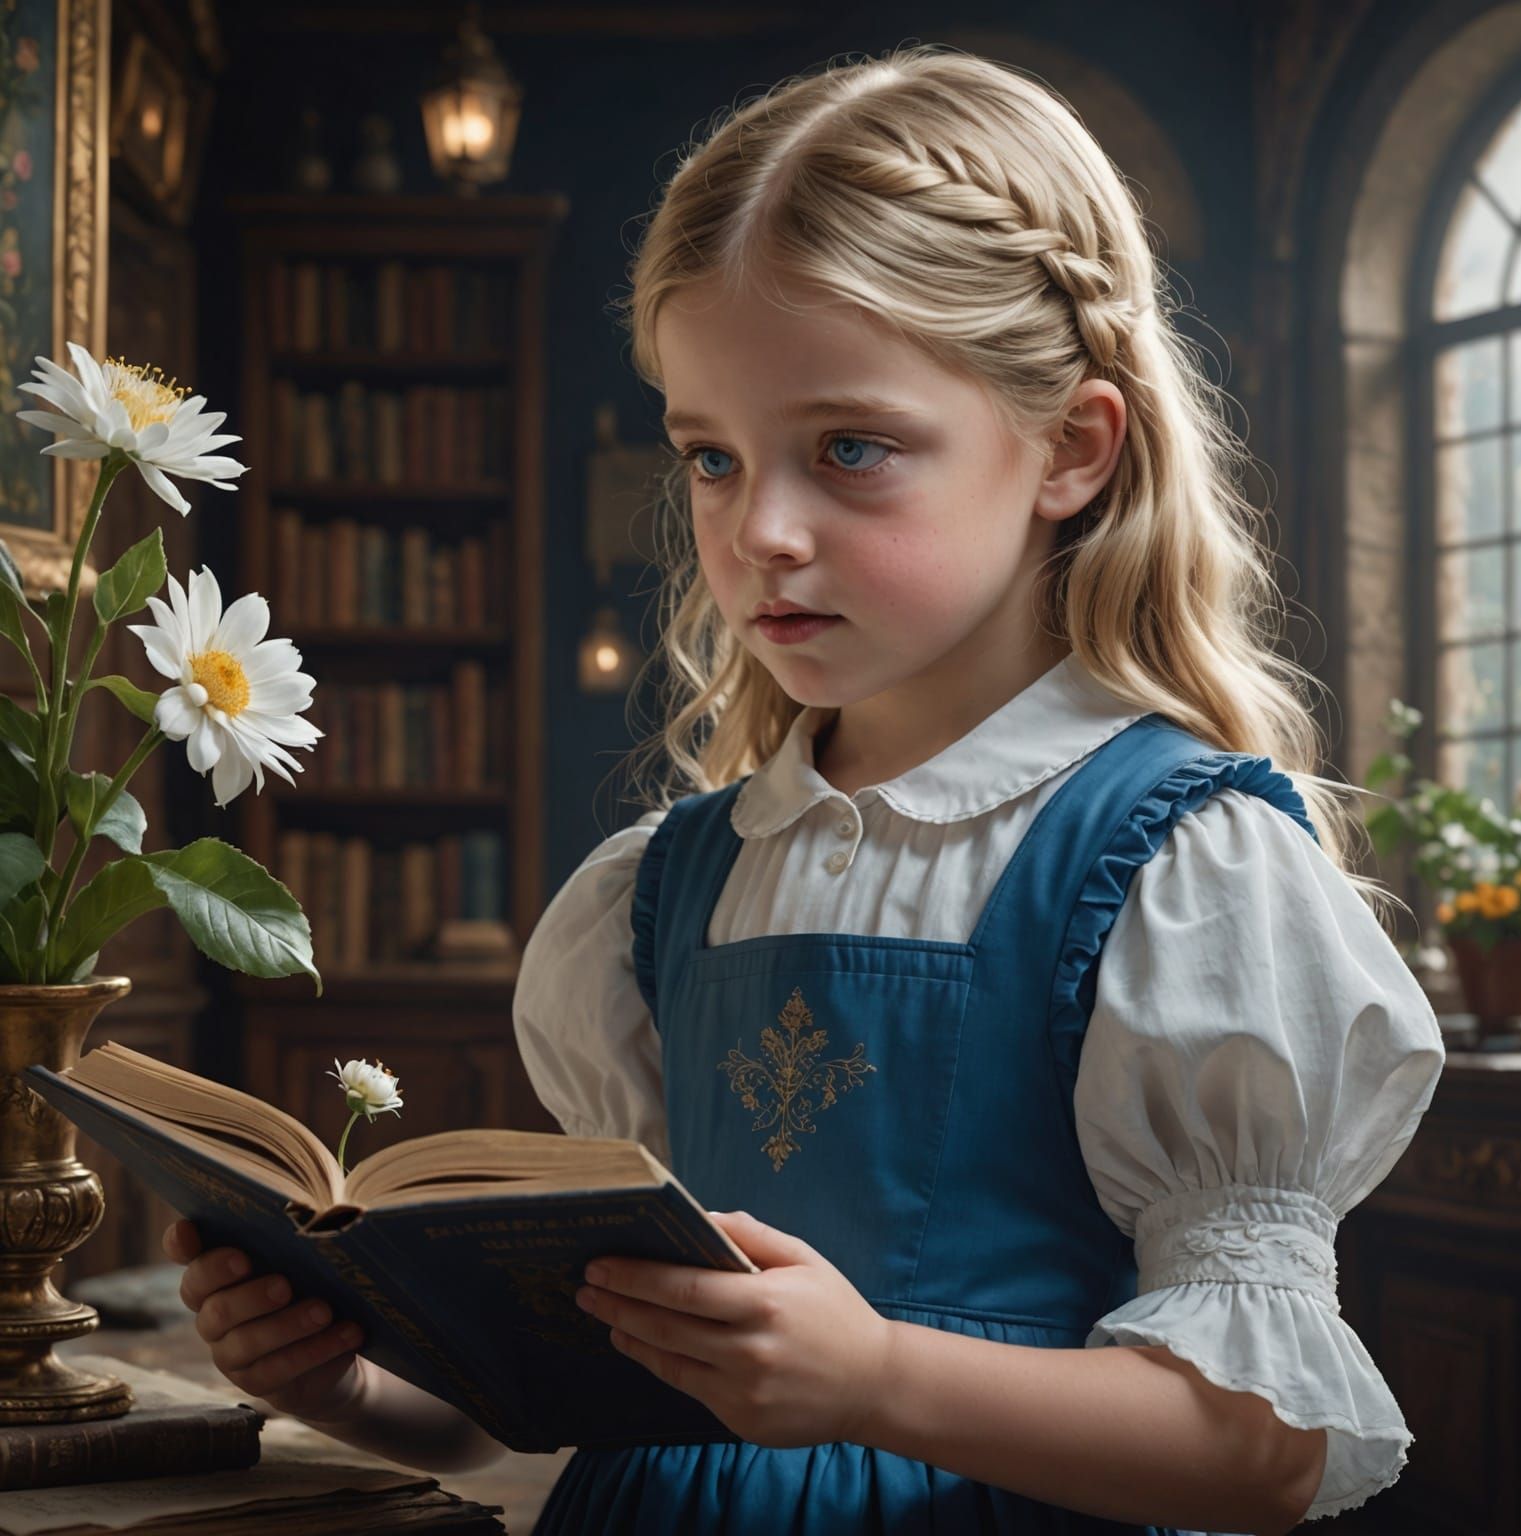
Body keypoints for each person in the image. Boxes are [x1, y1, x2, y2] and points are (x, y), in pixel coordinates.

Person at [164, 43, 1447, 1536]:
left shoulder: (1185, 867)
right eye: (710, 457)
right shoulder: (659, 889)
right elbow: (578, 1386)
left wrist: (878, 1382)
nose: (761, 528)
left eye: (850, 448)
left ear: (1073, 451)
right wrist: (348, 1388)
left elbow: (1259, 1452)